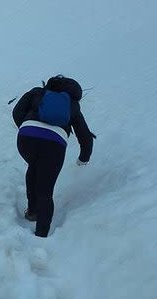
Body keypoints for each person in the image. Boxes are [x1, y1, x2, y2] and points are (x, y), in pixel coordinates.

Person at [12, 75, 95, 237]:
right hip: (53, 145)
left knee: (33, 167)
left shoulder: (37, 92)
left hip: (26, 138)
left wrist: (27, 126)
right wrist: (83, 158)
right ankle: (41, 234)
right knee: (45, 190)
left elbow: (17, 111)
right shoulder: (72, 105)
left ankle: (33, 211)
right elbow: (84, 136)